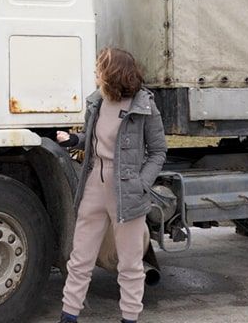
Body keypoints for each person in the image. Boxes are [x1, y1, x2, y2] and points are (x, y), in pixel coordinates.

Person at [56, 47, 167, 323]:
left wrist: (141, 183)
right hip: (94, 184)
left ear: (112, 73)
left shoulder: (144, 106)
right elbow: (92, 141)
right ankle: (68, 317)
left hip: (127, 190)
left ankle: (129, 318)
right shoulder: (97, 102)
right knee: (79, 258)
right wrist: (73, 141)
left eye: (99, 67)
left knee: (129, 264)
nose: (95, 71)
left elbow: (158, 151)